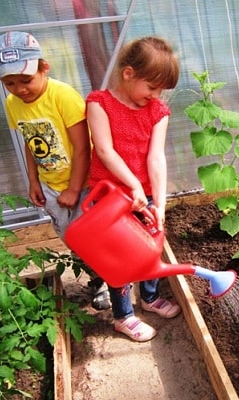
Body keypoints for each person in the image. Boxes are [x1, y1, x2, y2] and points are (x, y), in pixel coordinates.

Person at [0, 31, 111, 310]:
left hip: (83, 186)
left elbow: (84, 149)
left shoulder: (63, 96)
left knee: (93, 238)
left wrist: (72, 189)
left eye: (26, 79)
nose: (19, 89)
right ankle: (97, 277)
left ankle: (111, 283)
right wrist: (33, 180)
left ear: (44, 67)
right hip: (50, 185)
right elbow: (29, 142)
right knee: (72, 240)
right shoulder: (12, 104)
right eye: (9, 82)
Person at [85, 36, 181, 342]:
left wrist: (160, 204)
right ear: (129, 74)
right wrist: (132, 185)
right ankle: (123, 315)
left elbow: (156, 157)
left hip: (145, 196)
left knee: (150, 247)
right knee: (120, 256)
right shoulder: (99, 103)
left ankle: (149, 299)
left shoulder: (158, 111)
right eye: (152, 87)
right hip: (111, 198)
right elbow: (105, 151)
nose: (155, 95)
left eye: (161, 90)